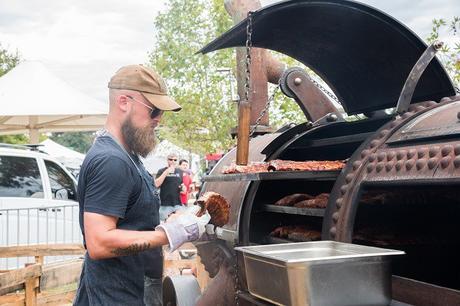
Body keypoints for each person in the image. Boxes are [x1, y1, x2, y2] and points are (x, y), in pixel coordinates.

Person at [73, 64, 209, 306]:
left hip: (134, 289)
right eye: (154, 110)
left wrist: (169, 223)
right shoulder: (111, 161)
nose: (159, 120)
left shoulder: (128, 157)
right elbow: (99, 243)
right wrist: (168, 234)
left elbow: (132, 222)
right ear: (124, 102)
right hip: (116, 296)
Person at [155, 153, 184, 220]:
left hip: (177, 204)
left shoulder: (180, 171)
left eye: (175, 160)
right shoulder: (161, 170)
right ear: (167, 160)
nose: (173, 161)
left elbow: (181, 185)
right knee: (164, 225)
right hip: (165, 204)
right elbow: (156, 184)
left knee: (179, 225)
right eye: (170, 159)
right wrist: (166, 172)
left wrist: (183, 188)